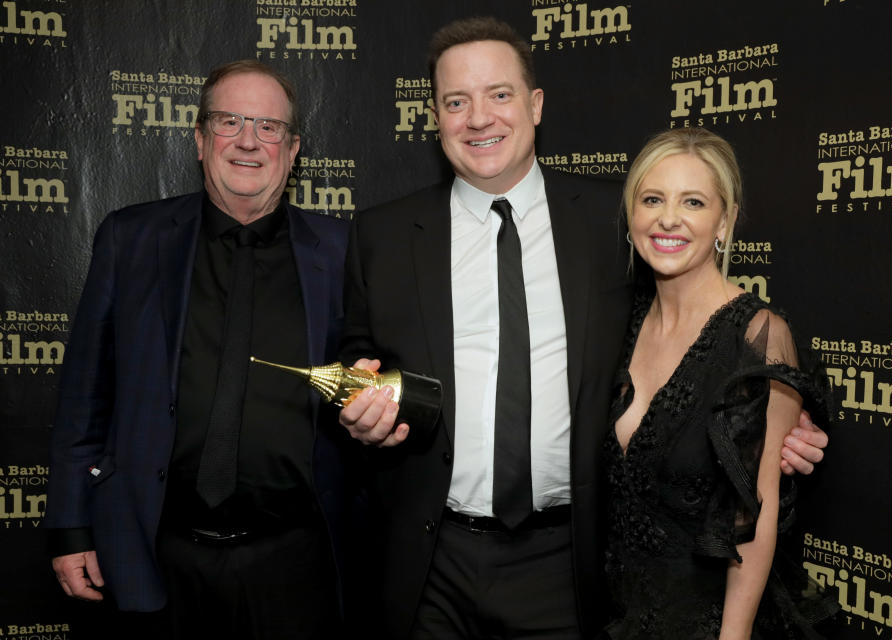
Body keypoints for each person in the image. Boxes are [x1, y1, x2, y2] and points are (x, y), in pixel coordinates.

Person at [338, 17, 827, 639]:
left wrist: (769, 422)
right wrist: (358, 396)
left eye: (499, 94)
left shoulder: (614, 220)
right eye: (456, 101)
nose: (478, 117)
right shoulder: (381, 235)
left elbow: (698, 333)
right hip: (431, 562)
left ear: (535, 105)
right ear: (435, 116)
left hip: (569, 563)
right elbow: (359, 352)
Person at [43, 60, 355, 639]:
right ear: (198, 138)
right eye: (229, 120)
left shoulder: (343, 252)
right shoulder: (129, 238)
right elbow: (84, 397)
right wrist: (68, 525)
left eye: (268, 127)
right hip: (153, 554)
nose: (247, 140)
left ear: (292, 150)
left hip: (295, 565)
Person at [603, 127, 835, 639]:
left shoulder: (757, 334)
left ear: (724, 221)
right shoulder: (620, 323)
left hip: (707, 623)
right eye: (652, 199)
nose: (668, 218)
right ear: (632, 217)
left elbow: (757, 516)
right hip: (612, 616)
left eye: (693, 201)